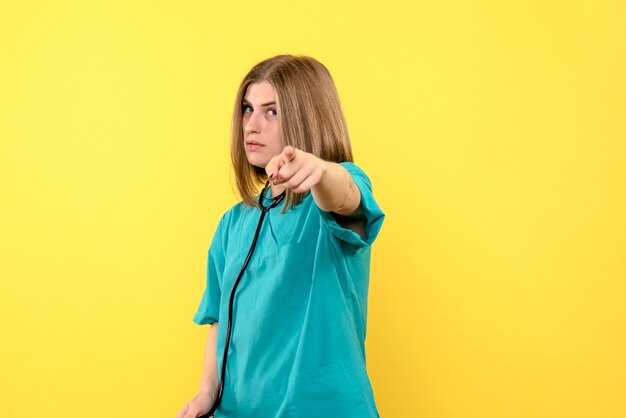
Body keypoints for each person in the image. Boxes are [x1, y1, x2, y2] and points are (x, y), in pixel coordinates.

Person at [176, 55, 385, 418]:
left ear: (307, 119)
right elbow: (219, 322)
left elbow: (348, 197)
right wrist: (205, 393)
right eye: (247, 108)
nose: (251, 125)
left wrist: (320, 172)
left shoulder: (330, 196)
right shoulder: (232, 224)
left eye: (271, 111)